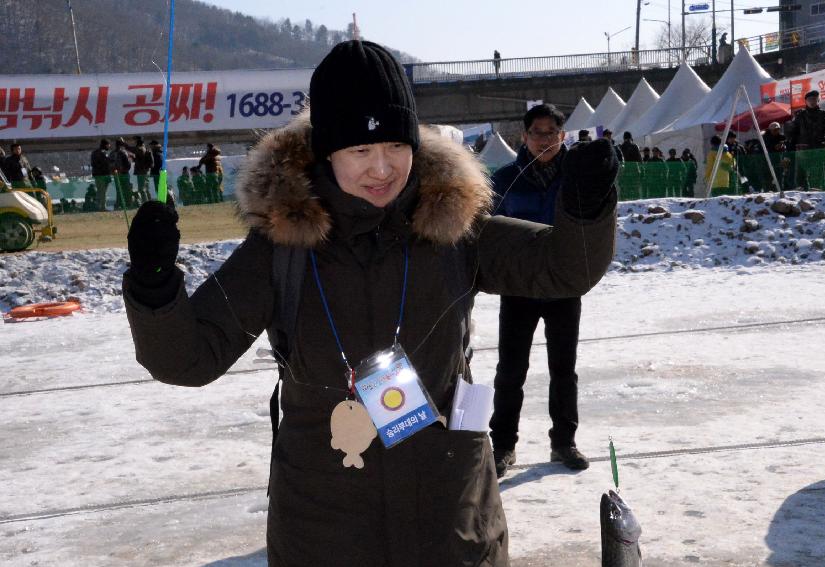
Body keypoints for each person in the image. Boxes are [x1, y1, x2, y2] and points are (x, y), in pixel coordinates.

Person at [122, 40, 617, 566]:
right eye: (360, 151)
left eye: (396, 148)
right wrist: (156, 287)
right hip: (326, 527)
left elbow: (563, 268)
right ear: (326, 151)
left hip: (451, 522)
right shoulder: (280, 247)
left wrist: (585, 207)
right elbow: (187, 359)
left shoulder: (454, 227)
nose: (382, 169)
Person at [489, 103, 595, 479]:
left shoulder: (576, 176)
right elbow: (487, 227)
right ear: (524, 137)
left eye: (551, 133)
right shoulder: (505, 179)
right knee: (510, 371)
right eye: (537, 133)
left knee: (563, 370)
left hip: (564, 287)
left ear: (562, 136)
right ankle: (502, 445)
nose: (544, 140)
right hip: (519, 288)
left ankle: (563, 441)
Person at [789, 89, 825, 190]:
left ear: (818, 100)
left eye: (814, 99)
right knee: (801, 174)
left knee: (818, 173)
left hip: (819, 149)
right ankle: (800, 192)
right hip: (803, 150)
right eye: (810, 99)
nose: (812, 101)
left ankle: (818, 192)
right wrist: (791, 144)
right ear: (805, 101)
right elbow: (793, 132)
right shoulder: (800, 116)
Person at [762, 122, 788, 191]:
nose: (776, 131)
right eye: (774, 130)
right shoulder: (765, 137)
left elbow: (786, 145)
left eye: (777, 129)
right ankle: (767, 191)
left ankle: (780, 190)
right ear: (770, 130)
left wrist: (782, 144)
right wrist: (775, 147)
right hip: (768, 161)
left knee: (780, 176)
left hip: (779, 160)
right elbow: (766, 147)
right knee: (768, 178)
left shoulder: (782, 137)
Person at [110, 138, 134, 210]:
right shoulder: (124, 152)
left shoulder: (112, 153)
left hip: (116, 174)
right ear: (121, 145)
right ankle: (128, 204)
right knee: (127, 189)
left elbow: (109, 164)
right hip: (124, 174)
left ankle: (118, 204)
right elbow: (128, 164)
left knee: (119, 190)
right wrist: (125, 170)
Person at [90, 139, 112, 211]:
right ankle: (103, 207)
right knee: (103, 192)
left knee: (100, 191)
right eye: (108, 144)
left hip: (97, 175)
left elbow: (93, 164)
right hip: (103, 175)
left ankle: (97, 206)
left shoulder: (94, 153)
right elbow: (107, 163)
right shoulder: (104, 153)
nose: (109, 146)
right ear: (105, 145)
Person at [131, 136, 154, 202]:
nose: (134, 142)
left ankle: (146, 203)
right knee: (146, 188)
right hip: (145, 171)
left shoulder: (140, 149)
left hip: (141, 171)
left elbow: (140, 161)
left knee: (142, 189)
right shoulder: (145, 149)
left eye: (135, 140)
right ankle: (150, 202)